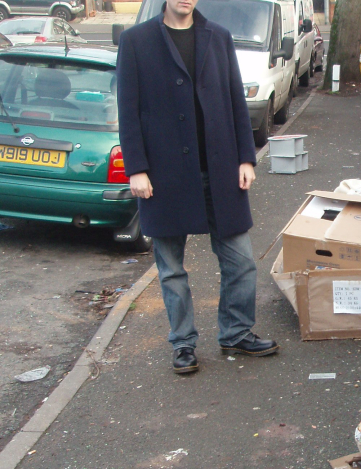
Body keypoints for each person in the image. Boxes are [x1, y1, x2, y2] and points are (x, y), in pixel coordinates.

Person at [116, 0, 279, 374]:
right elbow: (128, 108)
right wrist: (136, 168)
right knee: (171, 269)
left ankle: (236, 333)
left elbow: (235, 99)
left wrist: (245, 157)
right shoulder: (136, 40)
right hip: (163, 175)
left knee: (241, 262)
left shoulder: (218, 37)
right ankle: (183, 343)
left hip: (219, 170)